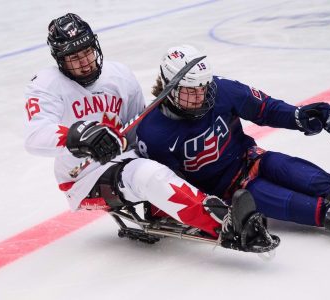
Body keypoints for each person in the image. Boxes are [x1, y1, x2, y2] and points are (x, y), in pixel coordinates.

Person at [23, 14, 279, 253]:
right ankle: (227, 226)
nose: (85, 62)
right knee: (147, 175)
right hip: (83, 176)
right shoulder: (45, 84)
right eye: (74, 57)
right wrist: (80, 136)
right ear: (59, 59)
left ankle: (172, 206)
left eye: (88, 51)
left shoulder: (120, 75)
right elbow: (35, 136)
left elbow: (138, 133)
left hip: (124, 158)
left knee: (173, 155)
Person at [135, 44, 330, 236]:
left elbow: (264, 108)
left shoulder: (221, 90)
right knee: (271, 196)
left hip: (249, 157)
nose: (200, 96)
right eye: (191, 90)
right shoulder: (153, 132)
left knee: (283, 166)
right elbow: (166, 185)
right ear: (170, 87)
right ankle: (329, 215)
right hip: (228, 191)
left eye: (203, 87)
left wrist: (300, 116)